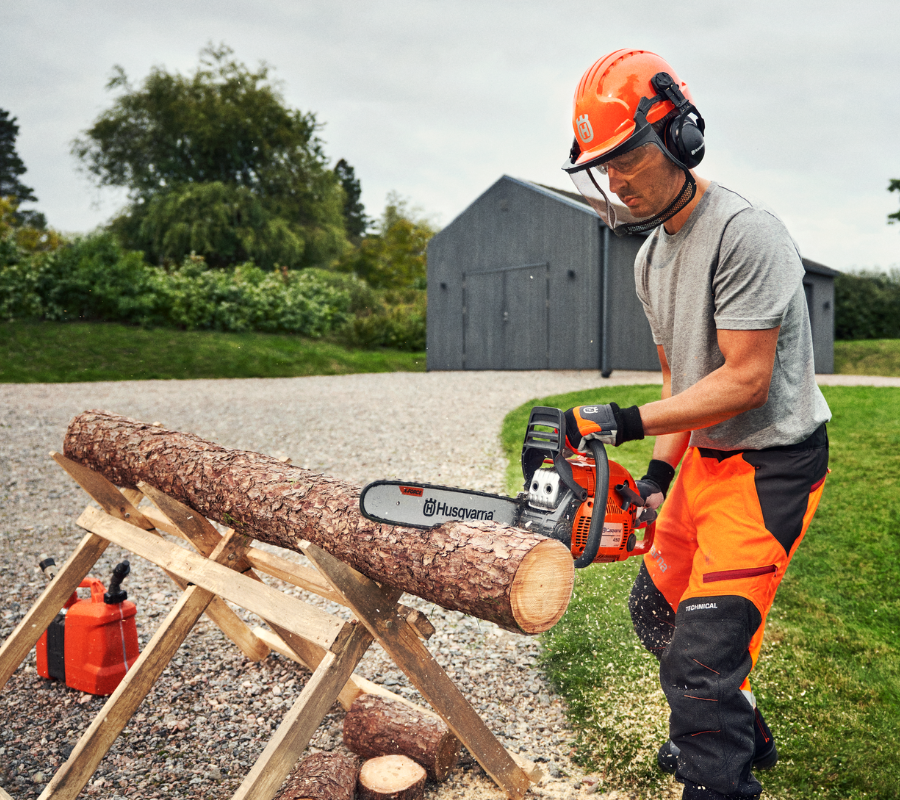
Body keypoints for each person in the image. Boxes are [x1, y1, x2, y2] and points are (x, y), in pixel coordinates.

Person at [559, 49, 831, 800]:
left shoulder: (748, 234)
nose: (616, 178)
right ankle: (740, 730)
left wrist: (625, 421)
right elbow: (685, 381)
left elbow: (743, 381)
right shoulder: (650, 258)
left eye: (626, 157)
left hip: (770, 468)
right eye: (602, 166)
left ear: (680, 134)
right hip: (706, 463)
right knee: (654, 608)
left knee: (700, 664)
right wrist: (655, 475)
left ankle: (718, 766)